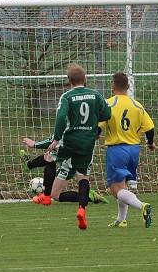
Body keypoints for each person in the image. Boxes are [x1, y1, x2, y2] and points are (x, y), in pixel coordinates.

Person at [21, 63, 111, 230]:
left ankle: (47, 196)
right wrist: (94, 125)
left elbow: (61, 118)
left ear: (69, 81)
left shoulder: (67, 97)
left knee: (48, 157)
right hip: (87, 143)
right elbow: (107, 114)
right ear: (85, 79)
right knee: (83, 177)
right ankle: (82, 209)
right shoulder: (96, 95)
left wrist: (55, 139)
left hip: (69, 141)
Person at [98, 72, 154, 229]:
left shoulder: (108, 104)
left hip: (117, 150)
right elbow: (150, 127)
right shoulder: (137, 105)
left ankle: (142, 206)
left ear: (113, 86)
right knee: (122, 185)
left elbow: (99, 126)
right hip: (134, 150)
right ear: (128, 87)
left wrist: (94, 136)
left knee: (116, 189)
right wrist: (150, 143)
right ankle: (121, 220)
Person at [19, 148, 107, 205]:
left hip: (71, 158)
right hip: (81, 153)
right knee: (51, 155)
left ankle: (45, 195)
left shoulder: (67, 126)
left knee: (55, 194)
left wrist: (35, 144)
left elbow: (52, 140)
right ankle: (88, 196)